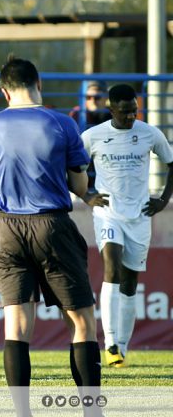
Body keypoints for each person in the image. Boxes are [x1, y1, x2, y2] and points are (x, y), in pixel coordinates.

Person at [0, 56, 100, 416]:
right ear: (38, 83)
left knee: (16, 323)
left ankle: (22, 412)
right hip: (51, 224)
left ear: (4, 91)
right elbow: (79, 183)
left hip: (6, 227)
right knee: (81, 320)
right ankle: (91, 410)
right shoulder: (62, 123)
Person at [80, 83, 173, 368]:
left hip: (140, 216)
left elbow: (172, 163)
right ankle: (108, 342)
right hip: (108, 213)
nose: (131, 116)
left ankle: (122, 346)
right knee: (111, 266)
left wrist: (163, 200)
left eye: (134, 110)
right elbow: (72, 168)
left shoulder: (149, 133)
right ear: (111, 110)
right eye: (125, 112)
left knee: (131, 284)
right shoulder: (93, 136)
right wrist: (87, 196)